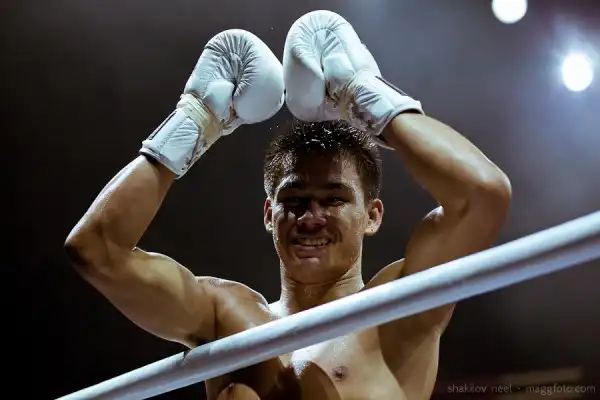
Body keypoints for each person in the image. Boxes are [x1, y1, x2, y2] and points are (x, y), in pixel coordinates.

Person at [65, 10, 511, 400]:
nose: (312, 218)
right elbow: (96, 251)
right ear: (269, 215)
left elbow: (483, 194)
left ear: (372, 215)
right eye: (295, 200)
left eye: (334, 199)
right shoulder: (227, 316)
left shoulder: (398, 310)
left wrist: (363, 92)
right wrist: (196, 118)